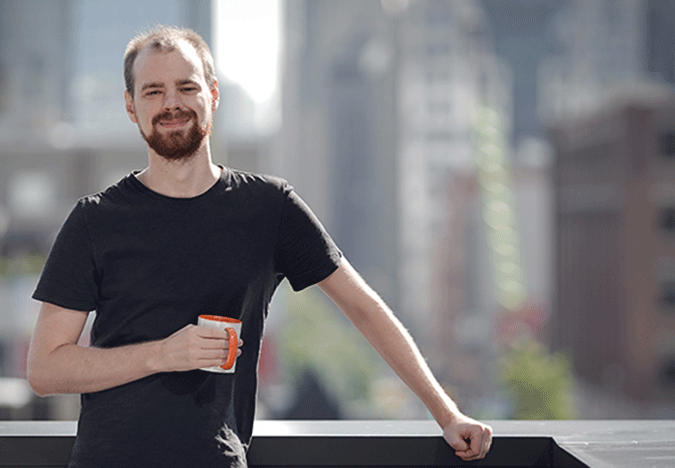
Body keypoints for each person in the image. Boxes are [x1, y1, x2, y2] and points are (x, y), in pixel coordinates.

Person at [26, 25, 492, 468]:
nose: (172, 103)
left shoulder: (269, 206)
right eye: (153, 91)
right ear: (131, 107)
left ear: (212, 95)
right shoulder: (95, 218)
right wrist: (163, 354)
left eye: (186, 87)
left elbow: (364, 307)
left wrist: (447, 414)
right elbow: (46, 369)